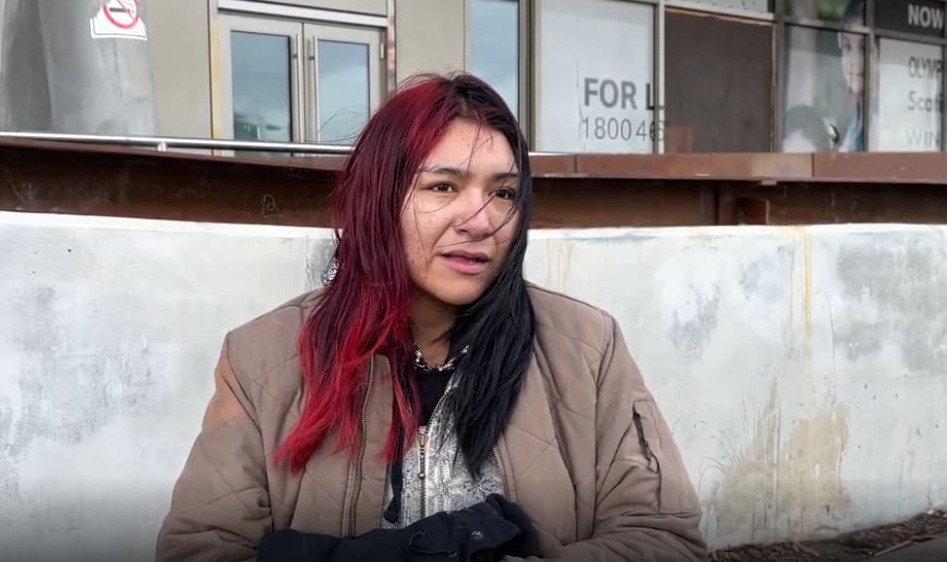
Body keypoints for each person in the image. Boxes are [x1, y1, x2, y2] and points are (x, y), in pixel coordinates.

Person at [154, 72, 708, 562]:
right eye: (443, 186)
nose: (481, 220)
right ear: (379, 199)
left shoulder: (587, 348)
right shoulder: (263, 358)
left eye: (504, 193)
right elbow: (200, 548)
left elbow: (665, 536)